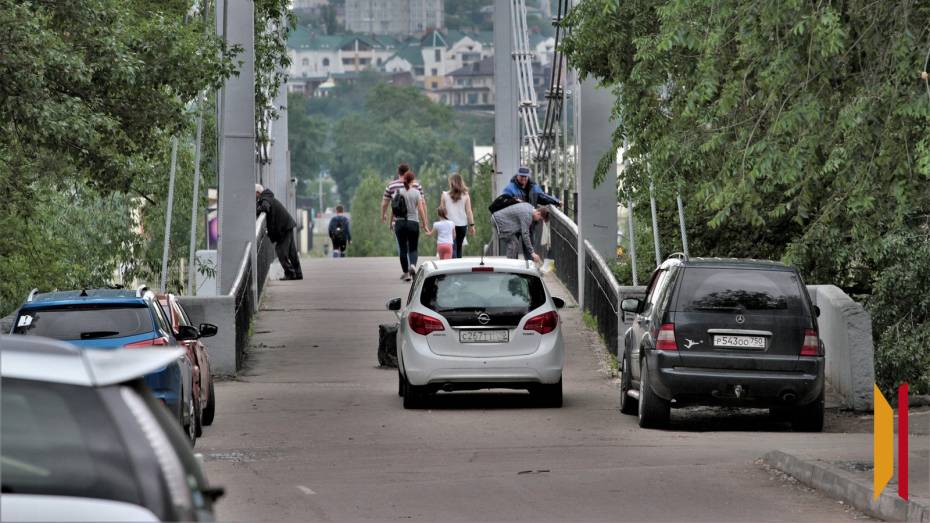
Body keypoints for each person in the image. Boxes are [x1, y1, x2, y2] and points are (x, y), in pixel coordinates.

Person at [383, 170, 428, 281]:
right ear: (412, 180)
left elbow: (393, 210)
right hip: (413, 223)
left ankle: (406, 273)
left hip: (400, 223)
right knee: (413, 248)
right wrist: (424, 223)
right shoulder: (416, 193)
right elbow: (421, 209)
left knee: (403, 249)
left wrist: (390, 223)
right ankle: (412, 265)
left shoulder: (397, 193)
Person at [256, 184, 303, 280]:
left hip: (283, 228)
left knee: (281, 251)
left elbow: (265, 207)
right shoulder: (267, 196)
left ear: (257, 193)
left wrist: (257, 210)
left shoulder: (265, 198)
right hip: (286, 225)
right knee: (291, 252)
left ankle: (290, 273)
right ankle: (298, 274)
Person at [438, 173, 475, 258]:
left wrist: (441, 225)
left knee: (453, 247)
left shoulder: (444, 195)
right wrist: (472, 225)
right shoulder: (466, 195)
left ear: (451, 183)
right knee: (458, 248)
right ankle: (457, 266)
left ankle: (453, 266)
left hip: (449, 226)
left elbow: (441, 212)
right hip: (462, 225)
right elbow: (469, 212)